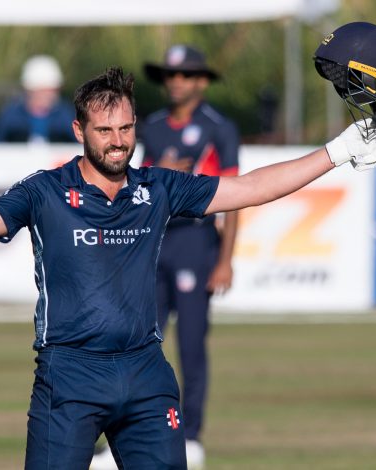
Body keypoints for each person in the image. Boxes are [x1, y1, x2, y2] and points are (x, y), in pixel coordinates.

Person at [0, 22, 376, 469]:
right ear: (79, 131)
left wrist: (338, 151)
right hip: (69, 374)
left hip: (145, 373)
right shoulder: (44, 191)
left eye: (125, 129)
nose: (117, 143)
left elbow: (250, 188)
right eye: (104, 131)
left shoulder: (157, 187)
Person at [92, 44, 240, 470]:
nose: (176, 82)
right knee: (135, 342)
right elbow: (131, 189)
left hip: (196, 242)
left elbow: (234, 198)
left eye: (185, 75)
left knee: (191, 345)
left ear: (201, 81)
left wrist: (226, 259)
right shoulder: (150, 127)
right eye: (170, 75)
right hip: (151, 244)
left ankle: (190, 436)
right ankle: (122, 437)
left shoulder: (218, 128)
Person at [0, 54, 77, 143]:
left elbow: (79, 145)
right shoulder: (11, 116)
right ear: (29, 90)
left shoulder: (66, 115)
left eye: (52, 90)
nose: (48, 95)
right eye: (42, 90)